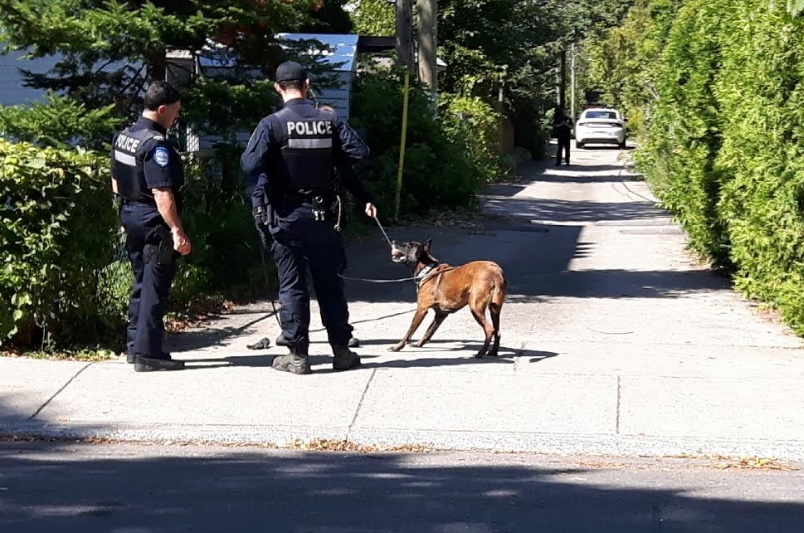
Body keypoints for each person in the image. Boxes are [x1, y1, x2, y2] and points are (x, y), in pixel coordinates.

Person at [240, 60, 376, 375]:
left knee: (292, 285)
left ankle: (298, 355)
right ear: (308, 84)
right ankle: (341, 351)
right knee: (330, 284)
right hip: (322, 216)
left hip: (286, 216)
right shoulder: (330, 120)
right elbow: (360, 153)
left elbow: (248, 165)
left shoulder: (271, 124)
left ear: (277, 88)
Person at [111, 80, 191, 373]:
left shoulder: (125, 136)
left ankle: (135, 347)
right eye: (175, 111)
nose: (176, 117)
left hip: (130, 215)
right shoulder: (155, 145)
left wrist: (123, 214)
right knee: (155, 287)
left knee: (141, 281)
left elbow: (116, 180)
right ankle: (149, 353)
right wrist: (177, 231)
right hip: (153, 221)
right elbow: (161, 191)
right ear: (162, 109)